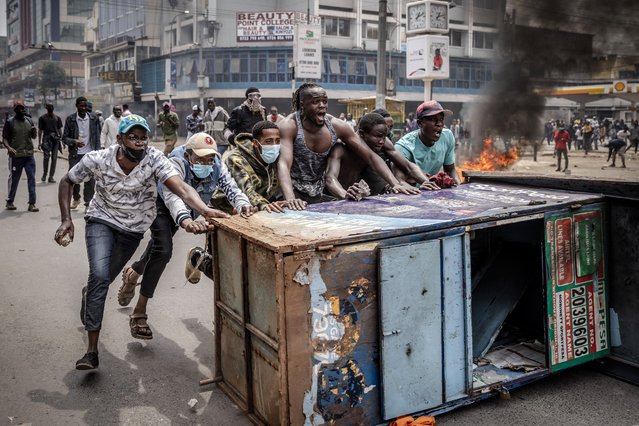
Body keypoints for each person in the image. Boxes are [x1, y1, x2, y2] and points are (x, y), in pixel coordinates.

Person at [54, 115, 230, 370]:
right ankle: (91, 352)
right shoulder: (99, 159)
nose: (139, 143)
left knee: (103, 280)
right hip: (101, 221)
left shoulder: (154, 159)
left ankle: (89, 292)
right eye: (132, 137)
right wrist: (65, 220)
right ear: (119, 139)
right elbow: (67, 180)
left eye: (143, 137)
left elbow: (180, 188)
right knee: (101, 276)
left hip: (133, 230)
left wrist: (204, 210)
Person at [117, 132, 254, 339]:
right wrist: (185, 220)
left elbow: (231, 188)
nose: (206, 163)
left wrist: (243, 205)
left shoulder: (217, 164)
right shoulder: (175, 162)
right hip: (160, 205)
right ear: (189, 154)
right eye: (200, 159)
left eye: (209, 159)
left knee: (157, 249)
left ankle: (133, 273)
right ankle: (139, 312)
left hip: (190, 209)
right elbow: (173, 195)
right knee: (163, 250)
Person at [277, 83, 419, 209]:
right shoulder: (289, 126)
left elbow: (370, 156)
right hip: (292, 189)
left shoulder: (337, 126)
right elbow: (284, 163)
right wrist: (290, 199)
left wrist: (395, 184)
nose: (322, 105)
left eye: (324, 101)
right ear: (302, 105)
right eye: (315, 102)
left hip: (319, 190)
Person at [325, 113, 431, 199]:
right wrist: (344, 195)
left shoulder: (382, 142)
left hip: (360, 197)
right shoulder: (340, 148)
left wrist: (426, 182)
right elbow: (330, 178)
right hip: (333, 197)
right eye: (378, 136)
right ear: (362, 134)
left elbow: (407, 165)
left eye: (384, 137)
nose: (382, 141)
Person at [211, 121, 286, 213]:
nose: (274, 146)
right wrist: (263, 205)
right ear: (255, 143)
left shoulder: (276, 158)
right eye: (268, 141)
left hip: (255, 207)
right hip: (225, 210)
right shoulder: (236, 159)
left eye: (277, 141)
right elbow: (246, 189)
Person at [395, 100, 462, 186]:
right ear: (420, 123)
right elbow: (399, 182)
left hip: (431, 191)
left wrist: (459, 188)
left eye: (441, 119)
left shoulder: (447, 137)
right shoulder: (404, 147)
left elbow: (450, 169)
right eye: (433, 119)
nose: (439, 124)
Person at [62, 96, 101, 211]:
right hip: (75, 154)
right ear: (77, 106)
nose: (84, 108)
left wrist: (97, 153)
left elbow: (97, 136)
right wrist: (74, 142)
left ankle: (88, 203)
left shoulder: (94, 118)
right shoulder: (71, 119)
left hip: (90, 154)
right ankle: (76, 198)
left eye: (85, 106)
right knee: (74, 178)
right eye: (81, 106)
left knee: (90, 180)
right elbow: (64, 138)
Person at [2, 101, 39, 212]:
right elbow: (4, 138)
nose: (20, 110)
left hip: (29, 155)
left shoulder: (29, 121)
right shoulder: (10, 122)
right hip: (16, 156)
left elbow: (33, 136)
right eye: (18, 108)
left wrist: (34, 132)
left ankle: (32, 204)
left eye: (22, 108)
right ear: (15, 110)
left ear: (24, 109)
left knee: (31, 179)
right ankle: (10, 201)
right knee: (14, 179)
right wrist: (9, 148)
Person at [37, 102, 63, 183]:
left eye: (51, 106)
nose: (50, 108)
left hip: (55, 139)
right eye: (49, 107)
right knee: (46, 157)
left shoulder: (57, 118)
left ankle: (51, 176)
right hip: (46, 139)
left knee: (54, 158)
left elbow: (59, 130)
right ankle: (45, 174)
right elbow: (40, 131)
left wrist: (62, 140)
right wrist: (39, 142)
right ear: (46, 108)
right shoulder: (42, 118)